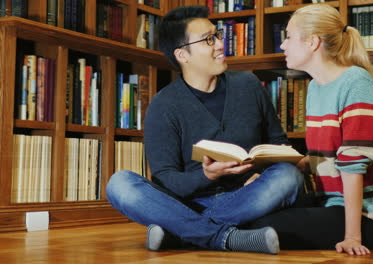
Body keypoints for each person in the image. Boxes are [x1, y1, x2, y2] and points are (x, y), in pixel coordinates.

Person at [105, 5, 304, 255]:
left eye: (218, 35)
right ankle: (224, 237)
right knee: (119, 184)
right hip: (187, 201)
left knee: (288, 176)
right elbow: (166, 179)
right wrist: (207, 176)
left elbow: (278, 142)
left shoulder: (248, 85)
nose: (220, 44)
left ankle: (179, 232)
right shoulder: (163, 105)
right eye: (209, 40)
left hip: (245, 196)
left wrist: (261, 170)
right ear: (183, 55)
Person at [248, 4, 373, 256]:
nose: (282, 45)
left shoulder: (357, 84)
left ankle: (213, 237)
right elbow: (329, 158)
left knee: (260, 226)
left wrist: (352, 237)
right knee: (258, 213)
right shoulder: (316, 87)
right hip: (333, 201)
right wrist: (285, 163)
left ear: (313, 42)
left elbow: (352, 167)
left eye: (289, 37)